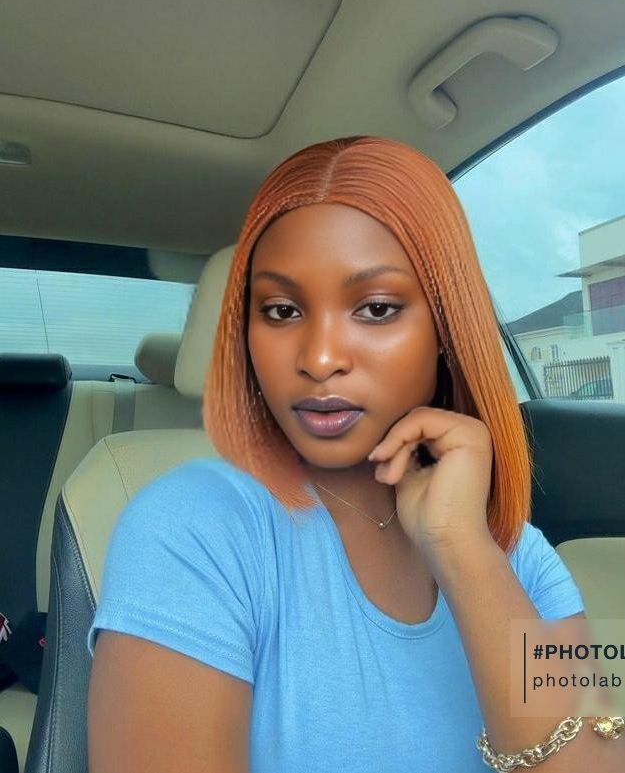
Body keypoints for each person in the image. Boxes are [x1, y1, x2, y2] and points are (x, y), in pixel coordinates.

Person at [87, 137, 620, 772]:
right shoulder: (193, 528)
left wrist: (462, 549)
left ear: (446, 329)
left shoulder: (519, 556)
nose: (318, 358)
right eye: (281, 310)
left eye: (375, 308)